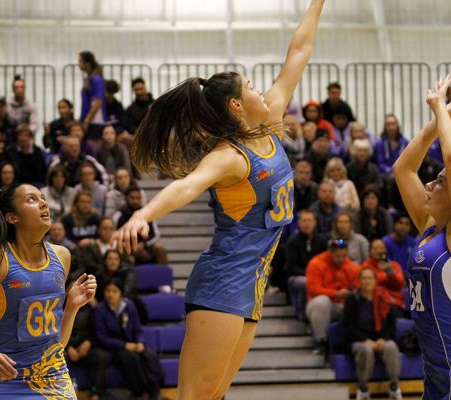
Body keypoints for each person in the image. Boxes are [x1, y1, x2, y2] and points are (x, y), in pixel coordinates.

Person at [114, 1, 325, 398]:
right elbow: (187, 186)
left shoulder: (271, 124)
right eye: (251, 87)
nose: (261, 90)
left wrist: (318, 2)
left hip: (252, 282)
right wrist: (144, 212)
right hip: (224, 280)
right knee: (196, 396)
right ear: (236, 105)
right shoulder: (228, 156)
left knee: (214, 394)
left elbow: (298, 53)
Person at [0, 183, 97, 399]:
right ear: (12, 217)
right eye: (32, 199)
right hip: (1, 372)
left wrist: (71, 307)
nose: (44, 202)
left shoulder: (62, 257)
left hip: (52, 377)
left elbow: (54, 343)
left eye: (43, 197)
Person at [392, 75, 451, 399]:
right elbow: (403, 169)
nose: (430, 185)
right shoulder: (431, 226)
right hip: (437, 376)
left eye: (441, 182)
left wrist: (440, 108)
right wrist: (438, 121)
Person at [94, 279, 164, 399]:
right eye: (107, 291)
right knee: (131, 357)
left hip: (133, 344)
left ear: (120, 293)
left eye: (114, 291)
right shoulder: (100, 310)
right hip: (113, 348)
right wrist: (124, 345)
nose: (110, 294)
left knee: (150, 355)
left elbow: (137, 329)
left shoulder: (129, 306)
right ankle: (141, 391)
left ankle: (155, 390)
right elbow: (102, 338)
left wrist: (140, 342)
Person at [342, 268, 402, 400]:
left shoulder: (384, 298)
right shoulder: (352, 300)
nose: (367, 281)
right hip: (358, 340)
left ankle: (394, 386)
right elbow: (348, 327)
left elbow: (391, 325)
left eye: (370, 278)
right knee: (366, 350)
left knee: (391, 347)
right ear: (359, 281)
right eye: (363, 278)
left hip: (380, 339)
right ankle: (363, 388)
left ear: (375, 281)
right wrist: (365, 340)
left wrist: (383, 338)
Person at [306, 239, 359, 354]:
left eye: (344, 256)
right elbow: (313, 289)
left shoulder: (351, 266)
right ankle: (321, 341)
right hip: (320, 305)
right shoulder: (316, 263)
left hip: (343, 304)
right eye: (338, 256)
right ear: (330, 252)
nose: (341, 259)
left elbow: (358, 287)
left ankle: (353, 342)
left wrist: (351, 294)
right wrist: (336, 293)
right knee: (322, 302)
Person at [64, 279, 110, 400]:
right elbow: (55, 332)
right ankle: (66, 392)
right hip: (65, 348)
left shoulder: (91, 309)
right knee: (57, 358)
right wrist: (68, 348)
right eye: (72, 288)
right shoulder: (58, 308)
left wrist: (89, 342)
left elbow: (97, 331)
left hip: (84, 347)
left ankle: (96, 393)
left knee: (102, 356)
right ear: (65, 291)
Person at [285, 210, 328, 321]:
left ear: (315, 223)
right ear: (299, 223)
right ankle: (303, 317)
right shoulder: (292, 242)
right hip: (296, 277)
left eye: (310, 220)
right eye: (304, 220)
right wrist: (311, 275)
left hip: (318, 276)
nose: (307, 223)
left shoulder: (323, 241)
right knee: (306, 282)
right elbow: (291, 267)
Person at [114, 188, 168, 265]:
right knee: (126, 252)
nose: (135, 201)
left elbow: (156, 235)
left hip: (146, 247)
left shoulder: (147, 214)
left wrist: (144, 244)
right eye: (132, 198)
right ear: (126, 199)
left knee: (160, 248)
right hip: (128, 249)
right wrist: (132, 246)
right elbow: (114, 236)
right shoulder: (118, 215)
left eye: (138, 198)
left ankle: (164, 275)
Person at [360, 239, 405, 316]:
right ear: (369, 251)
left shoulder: (394, 266)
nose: (378, 251)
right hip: (371, 302)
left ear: (386, 250)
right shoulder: (364, 266)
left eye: (381, 248)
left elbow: (400, 285)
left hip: (392, 303)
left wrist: (390, 272)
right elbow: (360, 286)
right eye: (375, 248)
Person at [78, 51, 107, 143]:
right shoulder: (88, 79)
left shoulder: (97, 80)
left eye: (80, 61)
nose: (78, 64)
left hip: (95, 120)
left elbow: (98, 102)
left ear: (88, 63)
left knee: (93, 146)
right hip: (88, 118)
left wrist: (87, 120)